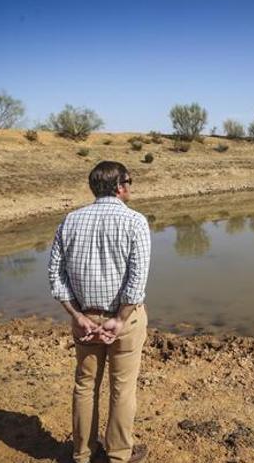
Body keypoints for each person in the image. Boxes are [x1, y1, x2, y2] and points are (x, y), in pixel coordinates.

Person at [49, 161, 152, 463]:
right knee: (122, 388)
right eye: (129, 181)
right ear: (119, 186)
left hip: (85, 319)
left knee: (85, 385)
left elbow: (56, 277)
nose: (131, 187)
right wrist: (120, 319)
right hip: (125, 319)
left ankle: (82, 455)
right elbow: (137, 279)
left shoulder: (69, 221)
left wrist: (76, 315)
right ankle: (119, 455)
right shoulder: (135, 221)